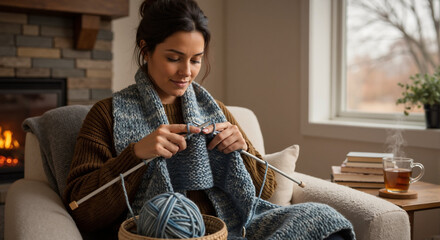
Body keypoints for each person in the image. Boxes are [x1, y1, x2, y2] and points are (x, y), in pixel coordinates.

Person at [63, 0, 355, 239]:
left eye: (196, 59)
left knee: (324, 219)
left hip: (232, 229)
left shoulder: (214, 110)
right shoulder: (106, 114)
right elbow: (83, 210)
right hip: (157, 233)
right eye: (174, 58)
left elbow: (261, 195)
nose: (186, 72)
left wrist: (243, 152)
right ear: (146, 49)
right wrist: (136, 155)